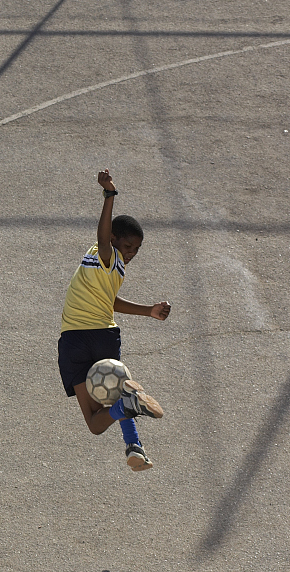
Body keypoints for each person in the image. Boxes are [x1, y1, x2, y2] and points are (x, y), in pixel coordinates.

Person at [57, 169, 170, 471]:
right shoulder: (108, 258)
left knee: (99, 416)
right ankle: (134, 447)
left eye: (136, 249)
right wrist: (149, 310)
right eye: (128, 246)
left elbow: (111, 298)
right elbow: (104, 243)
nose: (132, 253)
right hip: (103, 337)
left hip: (75, 341)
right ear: (113, 238)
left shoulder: (110, 260)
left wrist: (109, 195)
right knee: (98, 421)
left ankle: (132, 429)